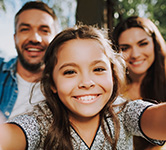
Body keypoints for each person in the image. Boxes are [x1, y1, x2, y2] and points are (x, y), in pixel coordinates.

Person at [0, 25, 166, 150]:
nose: (86, 82)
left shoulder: (124, 112)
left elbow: (158, 120)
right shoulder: (40, 121)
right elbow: (10, 138)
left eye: (98, 69)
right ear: (52, 84)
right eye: (70, 72)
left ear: (113, 76)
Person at [112, 16, 166, 150]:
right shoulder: (111, 91)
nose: (135, 54)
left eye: (143, 44)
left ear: (155, 44)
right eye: (125, 48)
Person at [0, 1, 60, 119]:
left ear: (55, 39)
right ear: (15, 37)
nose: (35, 38)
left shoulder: (65, 84)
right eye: (25, 29)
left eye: (44, 30)